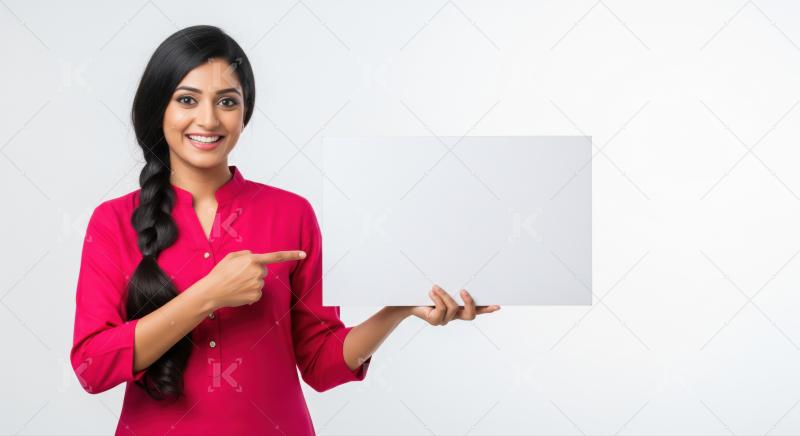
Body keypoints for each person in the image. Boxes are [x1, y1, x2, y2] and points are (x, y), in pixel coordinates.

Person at [70, 25, 501, 435]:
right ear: (157, 108)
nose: (208, 119)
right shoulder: (112, 222)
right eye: (187, 100)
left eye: (227, 101)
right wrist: (208, 295)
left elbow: (320, 362)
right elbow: (92, 366)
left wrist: (398, 309)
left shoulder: (291, 214)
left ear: (245, 113)